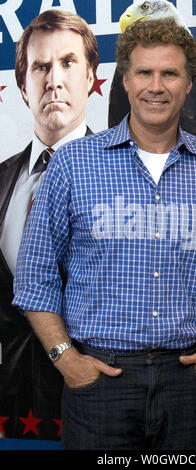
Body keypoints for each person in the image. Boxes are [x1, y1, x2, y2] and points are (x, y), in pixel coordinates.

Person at [13, 18, 196, 450]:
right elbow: (33, 276)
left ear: (188, 83)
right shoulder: (73, 164)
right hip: (98, 385)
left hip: (190, 383)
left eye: (169, 73)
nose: (156, 86)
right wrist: (67, 359)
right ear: (125, 82)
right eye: (144, 73)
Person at [0, 9, 99, 440]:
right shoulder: (1, 180)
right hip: (11, 407)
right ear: (23, 85)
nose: (53, 79)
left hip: (100, 400)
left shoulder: (131, 175)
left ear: (91, 76)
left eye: (67, 63)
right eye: (40, 66)